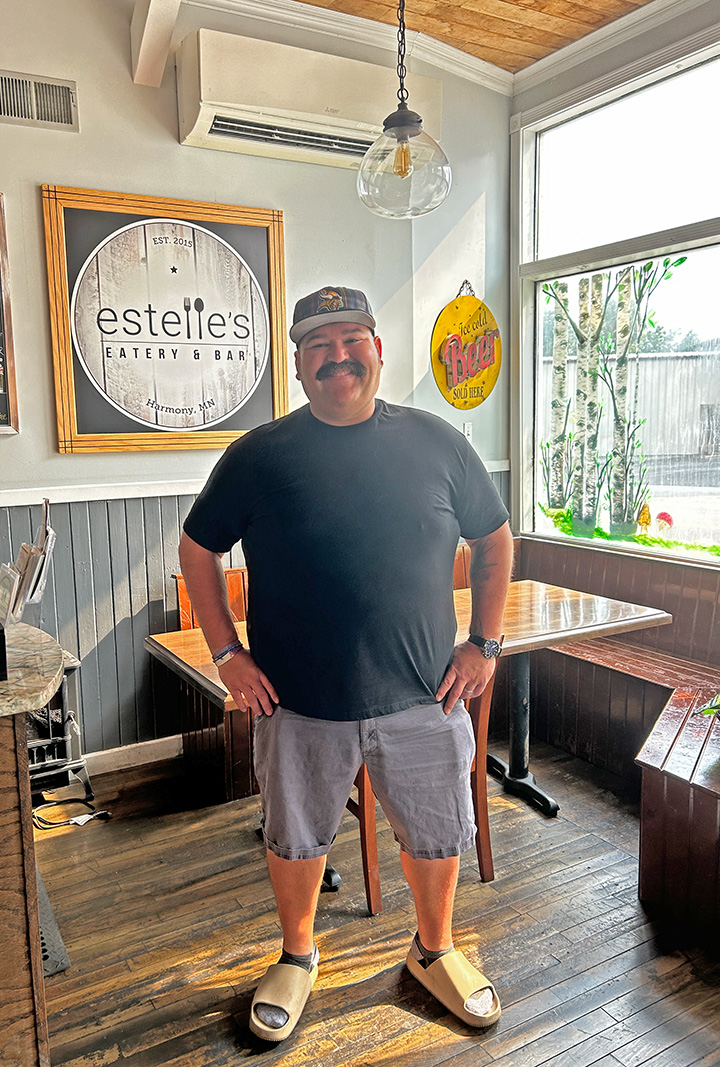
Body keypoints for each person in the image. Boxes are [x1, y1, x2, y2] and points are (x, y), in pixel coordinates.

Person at [179, 285, 513, 1042]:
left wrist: (484, 643)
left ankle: (434, 950)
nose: (337, 356)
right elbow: (198, 551)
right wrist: (227, 653)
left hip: (425, 694)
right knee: (295, 836)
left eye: (351, 339)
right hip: (295, 701)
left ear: (377, 349)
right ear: (298, 365)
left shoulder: (437, 443)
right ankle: (298, 955)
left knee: (437, 831)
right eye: (318, 345)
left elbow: (494, 540)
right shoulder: (258, 456)